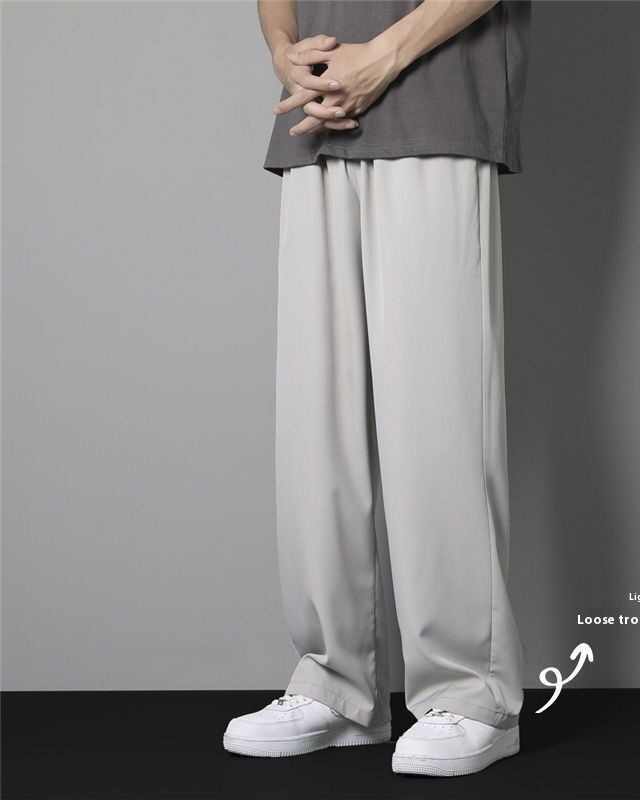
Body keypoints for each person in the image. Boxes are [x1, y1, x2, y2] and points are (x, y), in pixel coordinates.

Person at [223, 0, 531, 778]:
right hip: (316, 123)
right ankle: (338, 685)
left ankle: (472, 694)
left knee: (438, 413)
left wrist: (384, 55)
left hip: (436, 101)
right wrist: (284, 50)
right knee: (316, 422)